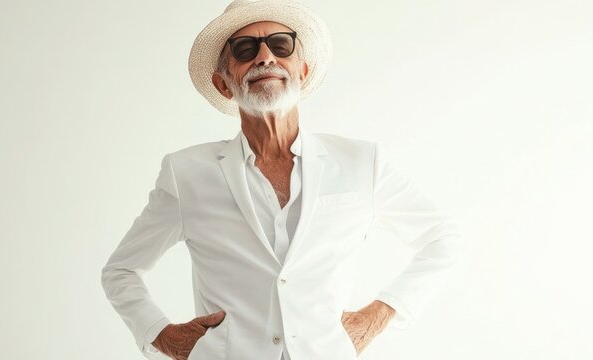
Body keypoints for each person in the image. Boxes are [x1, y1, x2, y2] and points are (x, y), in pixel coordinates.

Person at [101, 1, 463, 359]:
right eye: (245, 50)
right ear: (223, 83)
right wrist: (161, 335)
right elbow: (121, 271)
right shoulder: (187, 173)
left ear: (302, 70)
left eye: (280, 44)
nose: (265, 57)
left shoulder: (361, 162)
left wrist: (379, 314)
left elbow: (442, 239)